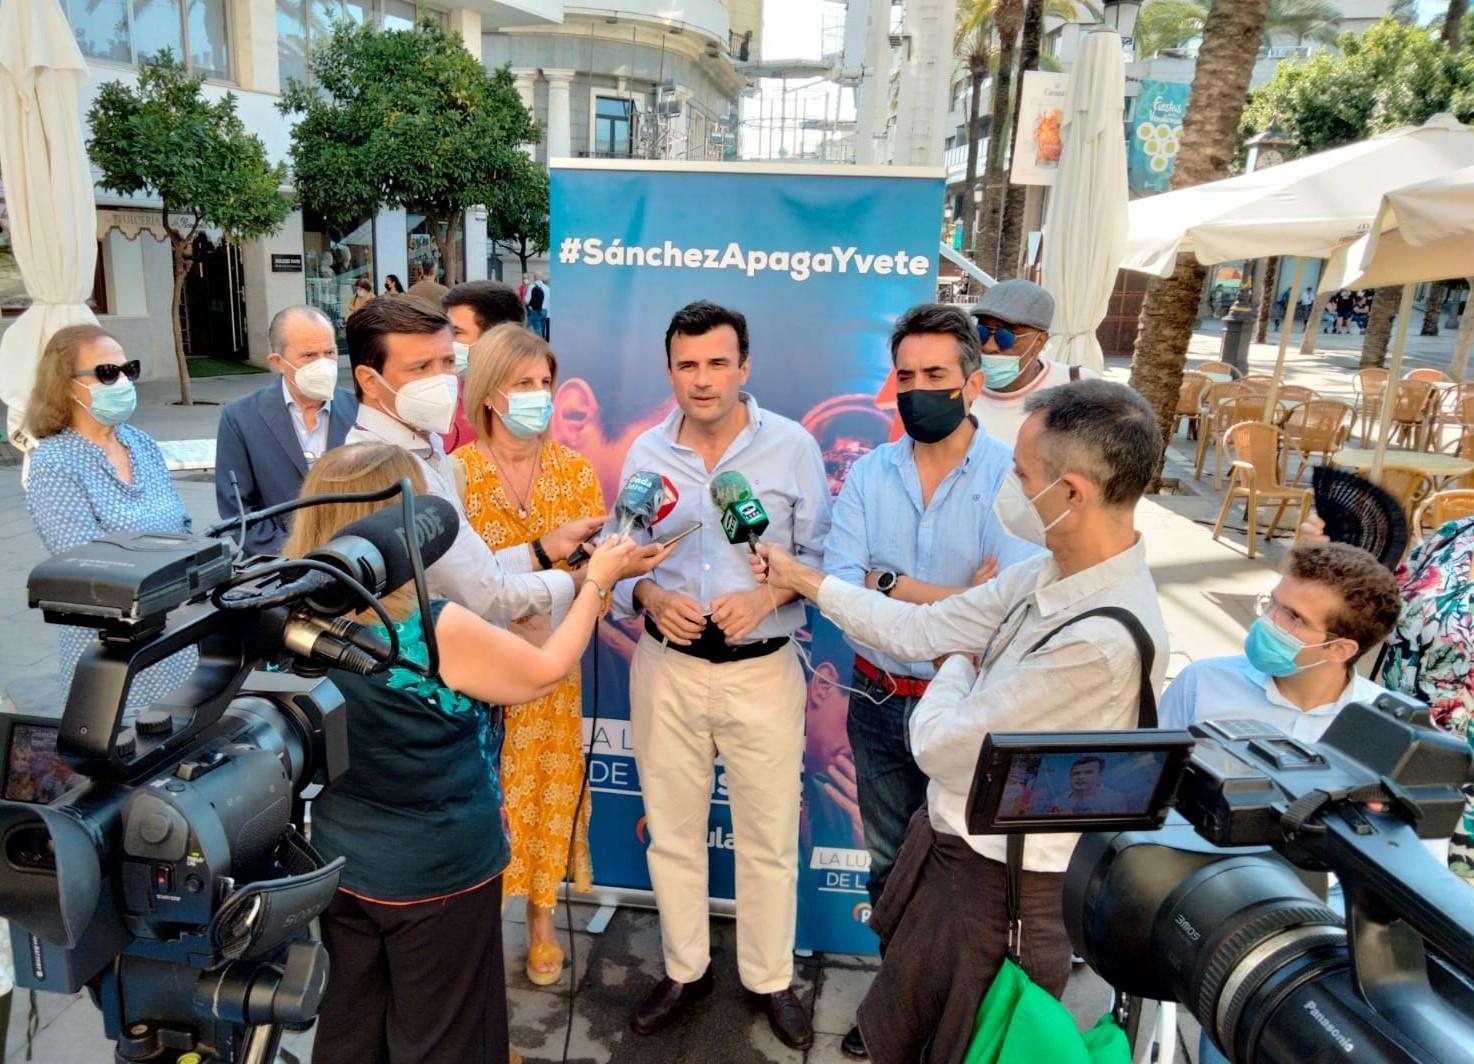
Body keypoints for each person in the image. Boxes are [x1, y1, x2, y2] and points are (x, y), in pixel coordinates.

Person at [756, 379, 1168, 1064]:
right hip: (955, 860)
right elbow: (922, 627)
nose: (1007, 481)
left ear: (1071, 492)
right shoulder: (1047, 572)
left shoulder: (1100, 642)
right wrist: (805, 580)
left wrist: (958, 664)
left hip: (1001, 897)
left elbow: (941, 744)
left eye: (1020, 473)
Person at [296, 442, 636, 1064]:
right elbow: (542, 673)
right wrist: (597, 585)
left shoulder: (287, 615)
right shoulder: (430, 628)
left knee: (352, 1025)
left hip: (342, 863)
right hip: (440, 873)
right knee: (446, 1038)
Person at [820, 303, 1039, 1059]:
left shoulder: (1015, 478)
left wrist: (894, 584)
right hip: (878, 701)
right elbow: (842, 593)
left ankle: (961, 1028)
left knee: (966, 887)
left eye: (936, 375)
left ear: (972, 384)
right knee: (890, 872)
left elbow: (1004, 613)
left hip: (969, 716)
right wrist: (947, 597)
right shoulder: (868, 474)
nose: (918, 390)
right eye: (906, 375)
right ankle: (896, 1012)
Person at [613, 300, 831, 1050]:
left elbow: (824, 563)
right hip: (666, 669)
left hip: (764, 671)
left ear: (744, 367)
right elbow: (618, 560)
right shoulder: (645, 454)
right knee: (672, 834)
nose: (701, 380)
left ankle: (770, 980)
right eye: (686, 365)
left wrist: (769, 593)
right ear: (670, 371)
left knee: (768, 838)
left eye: (716, 364)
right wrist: (647, 594)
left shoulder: (793, 447)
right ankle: (684, 969)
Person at [451, 322, 606, 987]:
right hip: (475, 675)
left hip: (553, 671)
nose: (539, 396)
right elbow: (455, 582)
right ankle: (480, 920)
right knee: (484, 800)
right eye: (524, 384)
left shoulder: (575, 472)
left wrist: (561, 623)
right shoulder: (453, 476)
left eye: (545, 383)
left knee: (548, 789)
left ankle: (543, 915)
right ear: (490, 394)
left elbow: (598, 574)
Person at [343, 296, 605, 625]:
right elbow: (487, 594)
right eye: (421, 367)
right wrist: (592, 580)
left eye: (448, 362)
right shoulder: (386, 470)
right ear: (370, 380)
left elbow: (468, 573)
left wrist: (542, 549)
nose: (442, 380)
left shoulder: (428, 446)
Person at [23, 325, 197, 716]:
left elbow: (182, 529)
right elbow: (86, 564)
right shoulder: (54, 462)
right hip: (112, 645)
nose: (121, 381)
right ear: (66, 385)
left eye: (127, 370)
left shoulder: (141, 443)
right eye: (106, 373)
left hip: (175, 633)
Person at [1301, 511, 1474, 882]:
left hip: (1462, 788)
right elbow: (1386, 608)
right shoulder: (1458, 532)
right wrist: (1328, 568)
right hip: (1390, 755)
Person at [1159, 542, 1401, 741]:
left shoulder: (1387, 727)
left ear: (1340, 650)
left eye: (1294, 618)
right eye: (1273, 602)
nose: (1269, 619)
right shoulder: (1201, 684)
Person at [216, 306, 358, 554]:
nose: (323, 364)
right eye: (309, 355)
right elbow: (238, 509)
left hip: (356, 563)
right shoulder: (241, 417)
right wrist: (293, 556)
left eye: (330, 352)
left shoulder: (360, 409)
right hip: (281, 568)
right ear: (278, 362)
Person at [967, 279, 1095, 449]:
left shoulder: (1079, 387)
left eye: (1005, 336)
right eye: (981, 332)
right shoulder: (957, 387)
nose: (989, 346)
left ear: (1039, 342)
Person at [440, 280, 527, 453]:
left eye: (456, 333)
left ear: (498, 338)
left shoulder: (532, 407)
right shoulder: (444, 392)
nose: (445, 342)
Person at [526, 274, 548, 340]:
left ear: (534, 278)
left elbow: (527, 300)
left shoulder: (532, 287)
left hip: (535, 310)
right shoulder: (547, 288)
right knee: (541, 329)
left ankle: (538, 345)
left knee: (536, 331)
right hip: (545, 311)